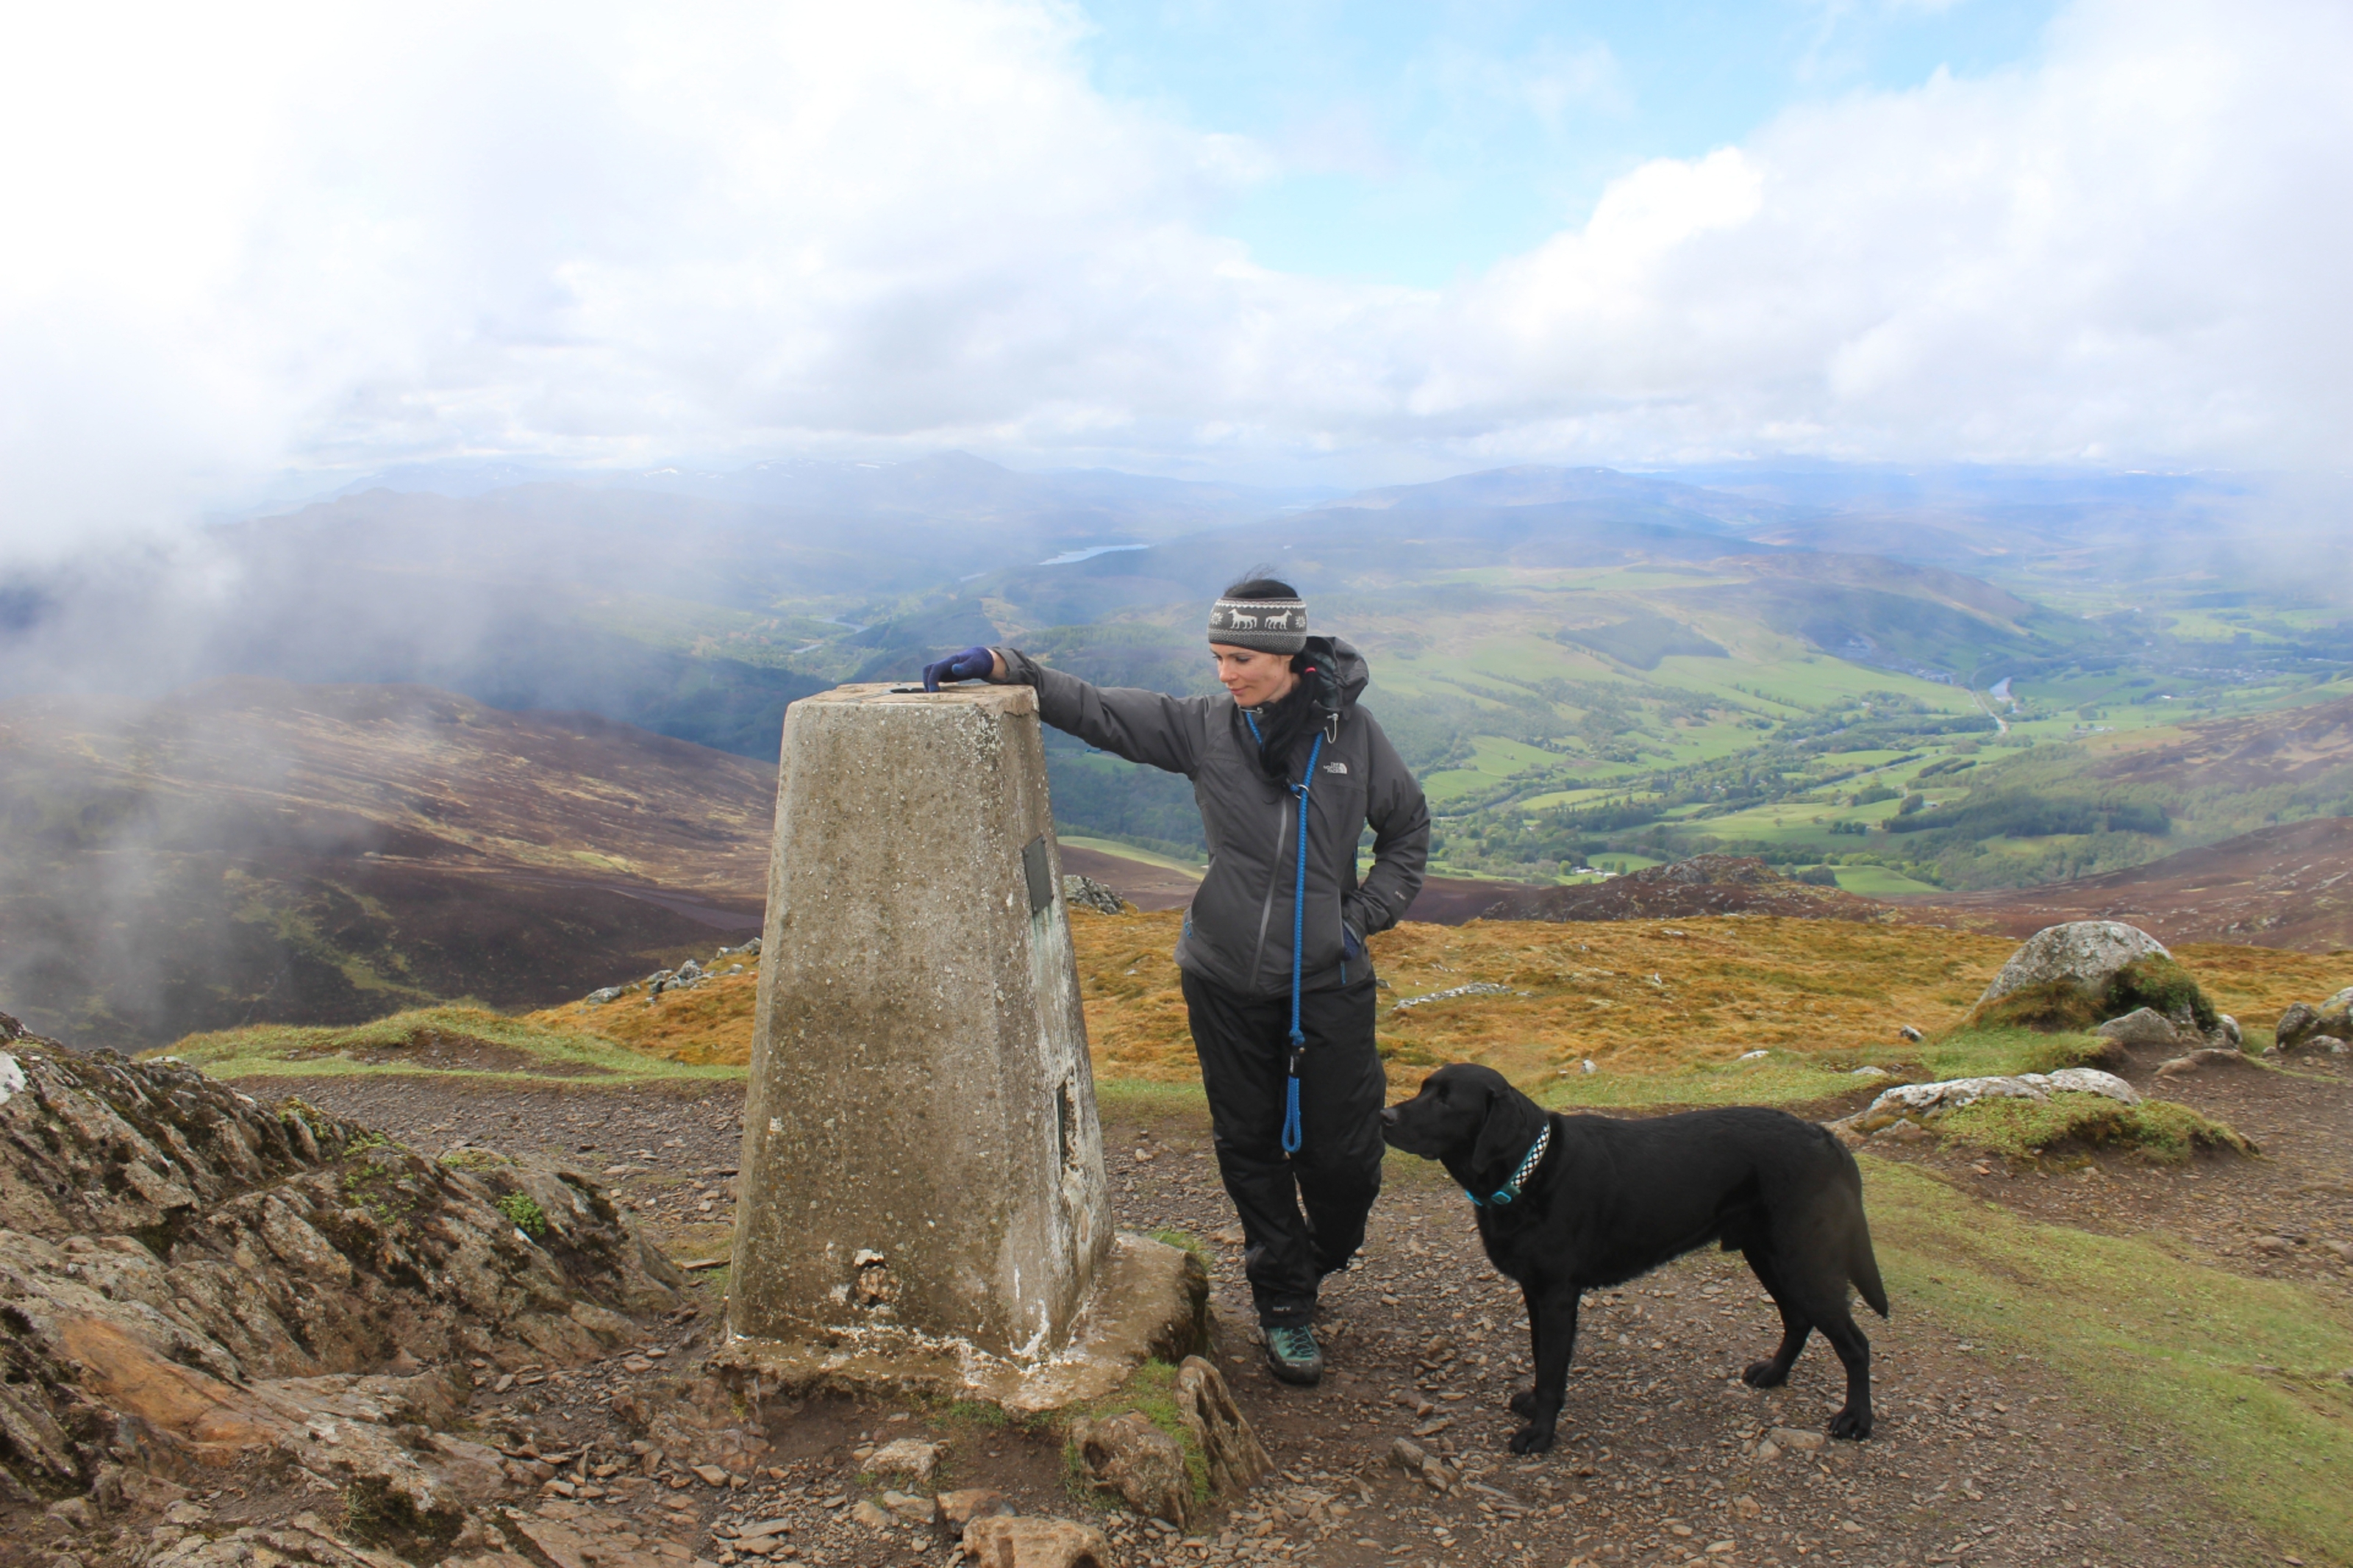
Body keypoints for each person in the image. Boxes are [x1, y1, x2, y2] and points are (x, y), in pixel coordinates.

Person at [922, 575, 1429, 1386]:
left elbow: (1406, 829)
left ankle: (1321, 1253)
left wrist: (1362, 916)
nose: (1225, 675)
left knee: (1345, 1160)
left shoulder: (1353, 739)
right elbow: (1098, 710)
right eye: (1217, 657)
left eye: (1241, 659)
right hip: (1222, 976)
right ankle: (1285, 1305)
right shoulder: (1204, 729)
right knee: (1248, 1144)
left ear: (1290, 656)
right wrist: (1004, 663)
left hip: (1328, 978)